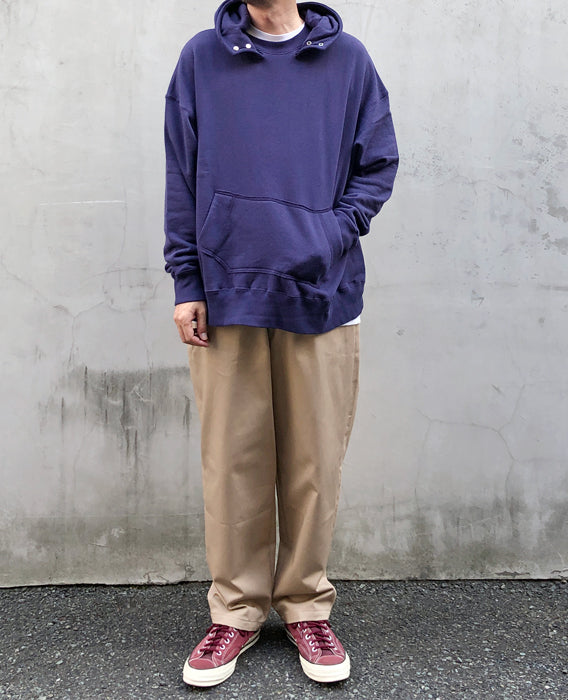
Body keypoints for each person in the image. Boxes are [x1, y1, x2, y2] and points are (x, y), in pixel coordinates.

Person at [163, 0, 398, 687]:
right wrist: (187, 280)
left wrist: (329, 232)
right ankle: (236, 611)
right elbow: (181, 174)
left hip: (321, 290)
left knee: (314, 459)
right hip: (226, 289)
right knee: (231, 459)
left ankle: (304, 604)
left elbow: (378, 163)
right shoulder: (201, 59)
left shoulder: (347, 62)